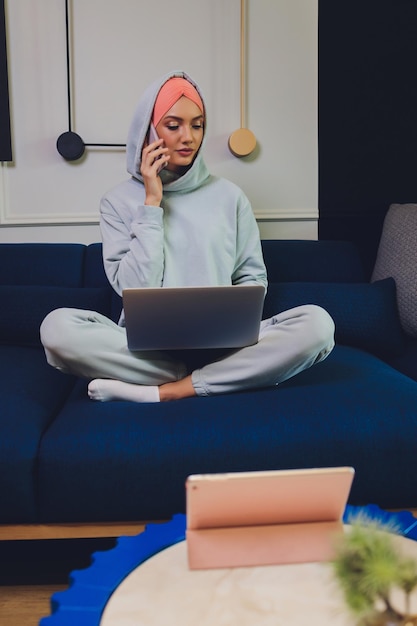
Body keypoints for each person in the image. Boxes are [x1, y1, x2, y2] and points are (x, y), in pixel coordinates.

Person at [40, 70, 335, 403]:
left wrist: (234, 319)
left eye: (197, 125)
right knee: (56, 328)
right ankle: (209, 378)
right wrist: (151, 204)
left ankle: (173, 390)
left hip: (227, 347)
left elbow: (252, 276)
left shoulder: (230, 196)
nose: (188, 137)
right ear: (148, 129)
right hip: (147, 352)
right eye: (173, 125)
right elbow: (134, 289)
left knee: (318, 325)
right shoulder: (117, 202)